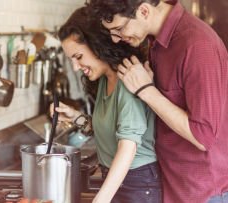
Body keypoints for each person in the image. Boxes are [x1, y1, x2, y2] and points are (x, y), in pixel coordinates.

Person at [86, 0, 228, 202]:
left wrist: (146, 90)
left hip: (202, 191)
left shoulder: (197, 44)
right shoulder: (155, 42)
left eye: (119, 28)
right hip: (173, 183)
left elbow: (203, 135)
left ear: (144, 10)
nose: (115, 39)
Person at [52, 7, 161, 203]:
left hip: (137, 184)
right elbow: (111, 129)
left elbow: (128, 147)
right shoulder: (105, 80)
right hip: (119, 180)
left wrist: (101, 199)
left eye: (78, 57)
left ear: (97, 46)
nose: (76, 67)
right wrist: (75, 117)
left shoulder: (127, 79)